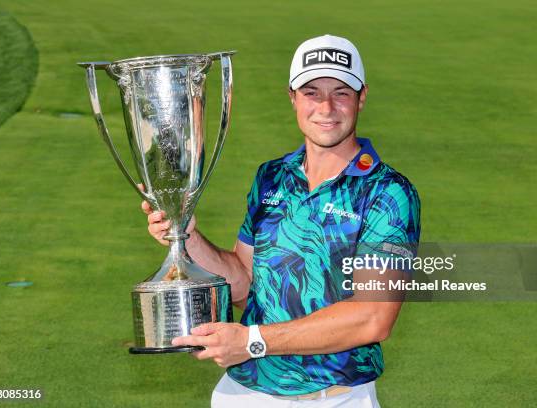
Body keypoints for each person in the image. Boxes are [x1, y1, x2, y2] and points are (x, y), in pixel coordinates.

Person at [142, 34, 420, 407]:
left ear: (361, 97)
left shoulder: (388, 193)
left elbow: (372, 317)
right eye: (311, 92)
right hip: (241, 393)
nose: (326, 107)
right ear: (292, 97)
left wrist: (252, 341)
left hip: (332, 398)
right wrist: (188, 237)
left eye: (341, 92)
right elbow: (245, 285)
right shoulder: (271, 176)